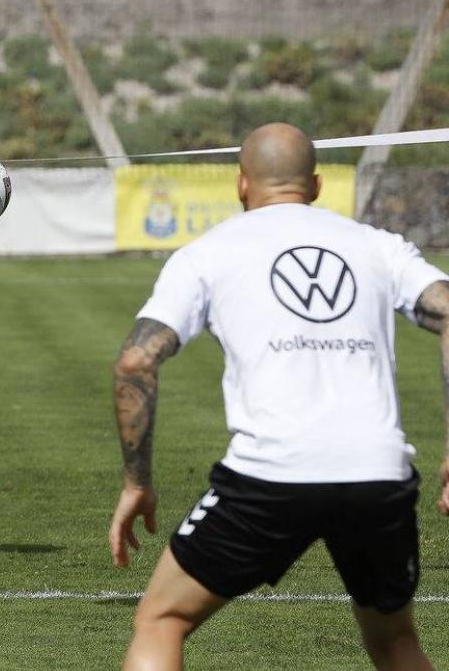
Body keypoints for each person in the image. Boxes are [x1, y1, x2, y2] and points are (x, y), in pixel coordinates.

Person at [109, 122, 448, 670]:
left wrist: (137, 482)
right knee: (394, 643)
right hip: (378, 472)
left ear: (241, 185)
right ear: (315, 186)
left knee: (161, 620)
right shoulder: (377, 247)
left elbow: (135, 359)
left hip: (269, 475)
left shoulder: (207, 253)